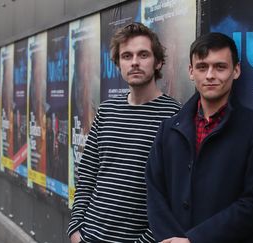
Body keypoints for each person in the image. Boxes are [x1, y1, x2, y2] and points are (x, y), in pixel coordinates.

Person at [145, 32, 253, 243]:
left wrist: (194, 240)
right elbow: (154, 193)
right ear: (191, 72)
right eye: (202, 67)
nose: (210, 75)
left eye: (220, 67)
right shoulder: (168, 129)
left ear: (236, 70)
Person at [67, 22, 181, 243]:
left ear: (158, 62)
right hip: (89, 236)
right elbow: (88, 172)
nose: (135, 62)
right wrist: (75, 228)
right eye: (127, 56)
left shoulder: (175, 116)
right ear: (118, 64)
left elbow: (175, 195)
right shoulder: (107, 110)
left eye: (143, 55)